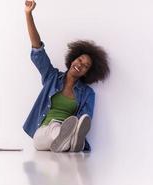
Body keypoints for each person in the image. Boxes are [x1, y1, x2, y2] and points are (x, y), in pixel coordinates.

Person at [22, 0, 110, 152]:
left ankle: (70, 140)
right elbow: (38, 50)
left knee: (73, 126)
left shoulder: (87, 93)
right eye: (80, 59)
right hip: (44, 133)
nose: (81, 64)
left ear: (87, 73)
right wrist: (28, 14)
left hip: (67, 130)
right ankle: (70, 140)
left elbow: (84, 119)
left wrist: (76, 127)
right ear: (73, 59)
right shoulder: (52, 77)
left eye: (86, 66)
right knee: (54, 128)